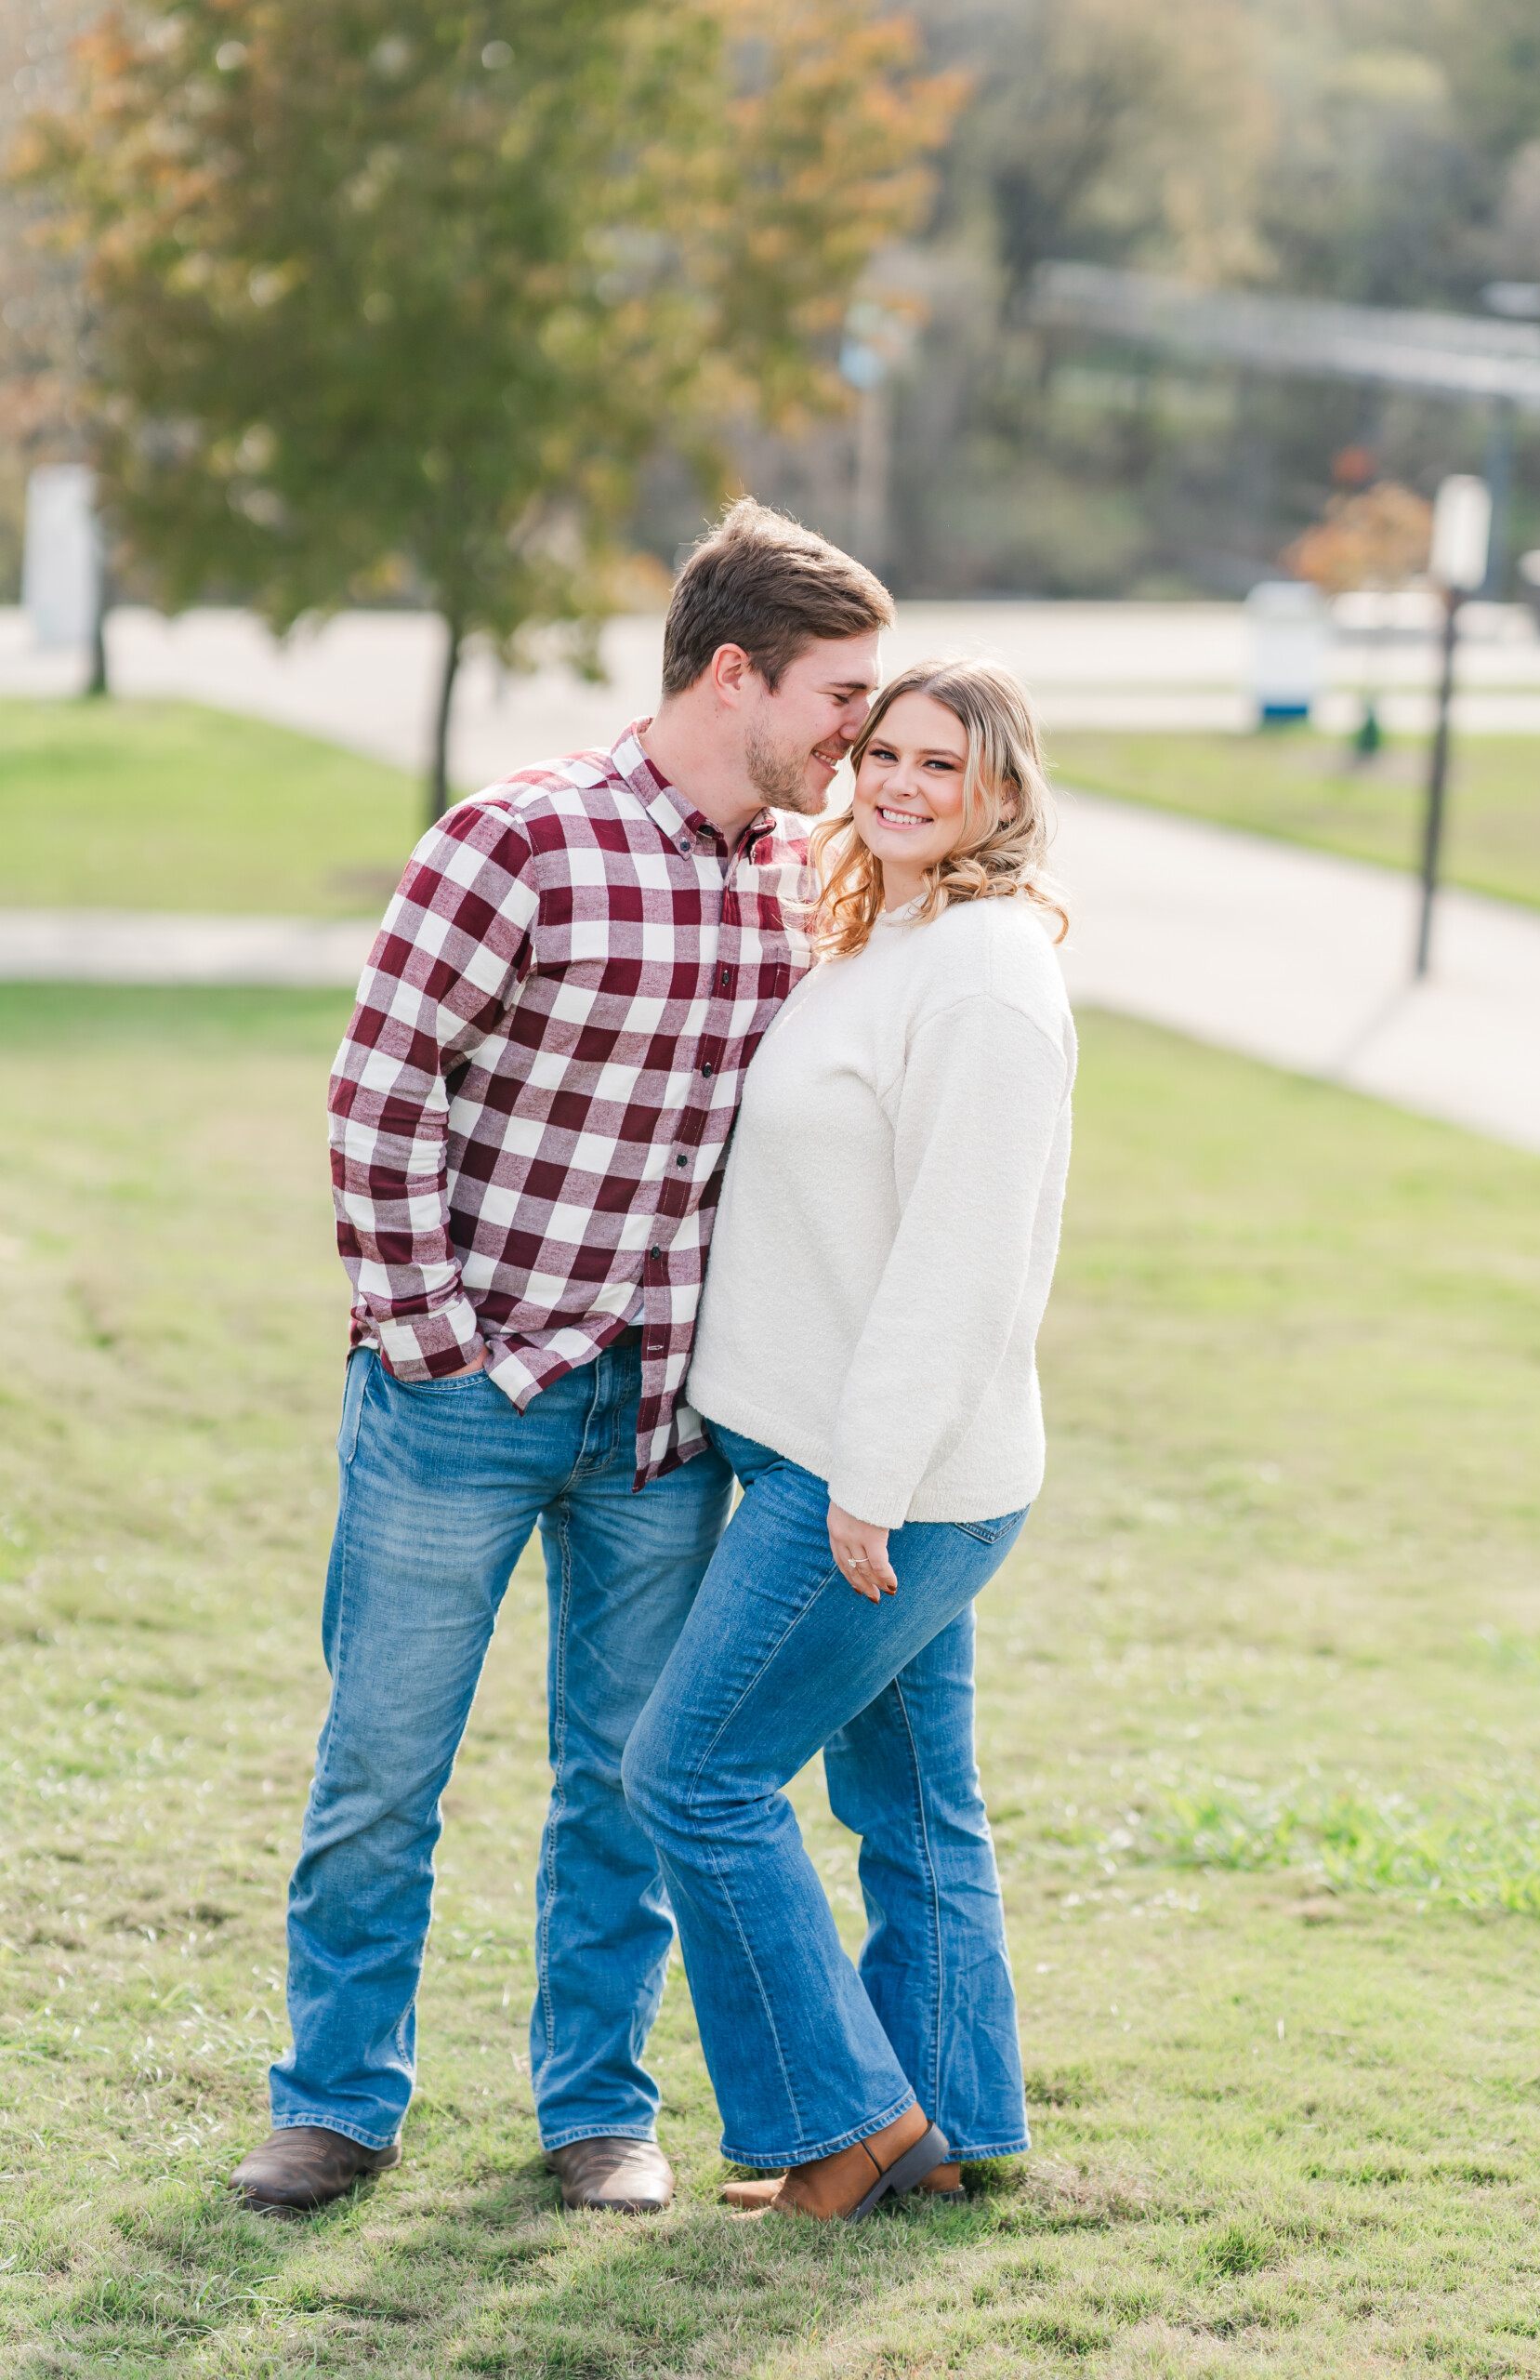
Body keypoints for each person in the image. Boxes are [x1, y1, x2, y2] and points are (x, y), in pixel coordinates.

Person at [230, 501, 893, 2218]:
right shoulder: (516, 841)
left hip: (668, 1424)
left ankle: (598, 2109)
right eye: (841, 695)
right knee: (385, 1763)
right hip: (465, 1402)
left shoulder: (804, 893)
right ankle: (335, 2105)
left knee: (622, 1786)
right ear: (733, 672)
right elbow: (381, 1095)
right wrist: (439, 1346)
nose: (860, 733)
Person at [623, 658, 1075, 2220]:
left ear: (1002, 795)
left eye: (940, 764)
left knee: (691, 1775)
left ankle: (845, 2123)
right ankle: (945, 2124)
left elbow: (956, 1257)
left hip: (874, 1481)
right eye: (883, 750)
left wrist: (868, 1484)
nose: (896, 781)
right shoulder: (894, 938)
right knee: (910, 1800)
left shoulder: (986, 979)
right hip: (844, 1459)